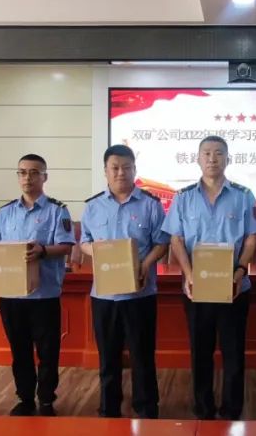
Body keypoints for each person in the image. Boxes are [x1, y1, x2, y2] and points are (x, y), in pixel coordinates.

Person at [161, 135, 256, 420]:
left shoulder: (243, 196)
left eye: (219, 153)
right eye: (206, 153)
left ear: (227, 159)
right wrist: (189, 274)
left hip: (234, 287)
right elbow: (176, 239)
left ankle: (232, 410)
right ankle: (203, 408)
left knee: (234, 352)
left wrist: (239, 271)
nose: (212, 158)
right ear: (198, 159)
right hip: (196, 289)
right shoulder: (183, 198)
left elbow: (252, 238)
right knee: (200, 352)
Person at [79, 145, 168, 419]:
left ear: (134, 170)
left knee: (142, 356)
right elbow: (84, 242)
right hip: (104, 297)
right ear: (105, 171)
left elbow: (162, 243)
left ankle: (146, 408)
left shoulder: (151, 204)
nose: (121, 172)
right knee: (108, 357)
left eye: (126, 167)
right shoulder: (93, 206)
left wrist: (145, 264)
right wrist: (98, 252)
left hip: (140, 295)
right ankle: (109, 408)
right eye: (115, 168)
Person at [0, 154, 75, 417]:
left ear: (44, 177)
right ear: (18, 176)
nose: (28, 177)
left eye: (34, 172)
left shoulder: (57, 210)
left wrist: (42, 250)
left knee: (48, 351)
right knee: (20, 351)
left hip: (44, 295)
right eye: (23, 172)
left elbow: (66, 246)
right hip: (11, 295)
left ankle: (46, 399)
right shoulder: (5, 213)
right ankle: (25, 398)